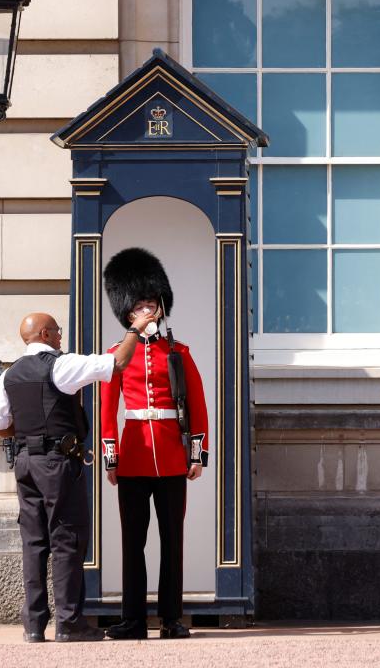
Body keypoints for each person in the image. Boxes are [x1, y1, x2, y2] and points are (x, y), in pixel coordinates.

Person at [0, 310, 157, 643]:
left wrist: (29, 433)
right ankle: (69, 622)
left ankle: (34, 625)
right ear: (47, 335)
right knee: (67, 539)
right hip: (57, 463)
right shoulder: (60, 366)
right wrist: (135, 329)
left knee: (34, 543)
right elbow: (118, 363)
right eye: (58, 332)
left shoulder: (8, 374)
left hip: (25, 462)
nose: (61, 337)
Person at [100, 247, 209, 641]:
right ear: (128, 313)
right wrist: (111, 458)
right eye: (140, 305)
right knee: (133, 542)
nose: (148, 310)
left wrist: (197, 455)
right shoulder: (116, 356)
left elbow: (197, 405)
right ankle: (132, 619)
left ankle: (171, 618)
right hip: (132, 456)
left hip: (172, 456)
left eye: (152, 304)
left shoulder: (179, 353)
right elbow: (107, 410)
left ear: (161, 309)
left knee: (172, 541)